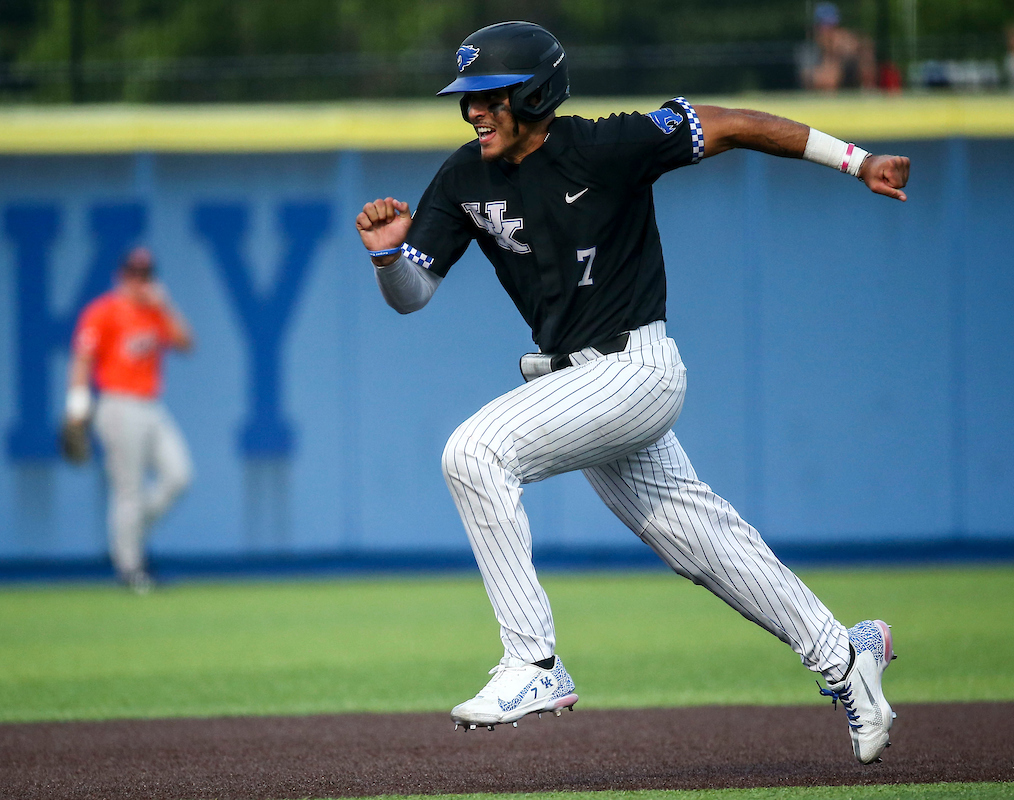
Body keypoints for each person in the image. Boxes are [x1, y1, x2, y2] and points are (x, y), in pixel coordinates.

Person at [355, 21, 909, 764]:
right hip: (576, 383)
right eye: (467, 99)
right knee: (702, 544)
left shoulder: (608, 145)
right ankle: (846, 656)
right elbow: (412, 294)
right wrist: (390, 257)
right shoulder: (464, 176)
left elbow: (737, 124)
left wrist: (857, 159)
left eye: (488, 96)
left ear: (535, 93)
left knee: (474, 450)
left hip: (634, 370)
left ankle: (535, 665)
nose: (473, 111)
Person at [65, 247, 194, 594]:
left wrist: (165, 305)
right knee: (129, 489)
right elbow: (82, 357)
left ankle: (128, 538)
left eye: (147, 274)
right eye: (134, 274)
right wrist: (77, 405)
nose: (140, 280)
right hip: (117, 404)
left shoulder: (154, 311)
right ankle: (130, 567)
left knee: (179, 476)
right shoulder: (103, 311)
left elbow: (187, 343)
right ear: (121, 276)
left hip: (151, 404)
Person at [799, 2, 877, 91]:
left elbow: (869, 72)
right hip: (820, 94)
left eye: (832, 25)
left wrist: (857, 48)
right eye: (825, 26)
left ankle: (867, 93)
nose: (829, 31)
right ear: (816, 27)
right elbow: (823, 82)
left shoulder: (845, 41)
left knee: (866, 55)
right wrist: (832, 53)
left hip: (849, 88)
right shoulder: (808, 50)